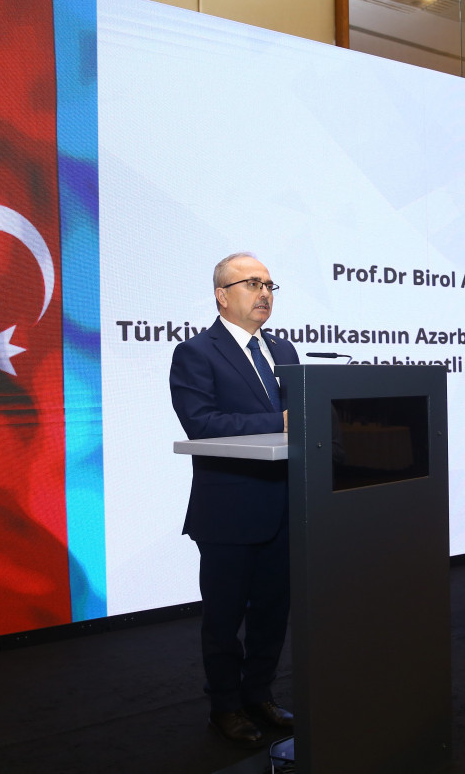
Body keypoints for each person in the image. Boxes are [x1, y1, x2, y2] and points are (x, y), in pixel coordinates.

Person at [170, 252, 299, 747]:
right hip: (229, 510)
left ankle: (258, 694)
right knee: (224, 618)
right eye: (251, 283)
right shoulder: (196, 353)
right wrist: (278, 422)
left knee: (272, 613)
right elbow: (202, 423)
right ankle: (225, 706)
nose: (264, 293)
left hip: (285, 506)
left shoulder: (283, 350)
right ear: (222, 296)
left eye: (269, 285)